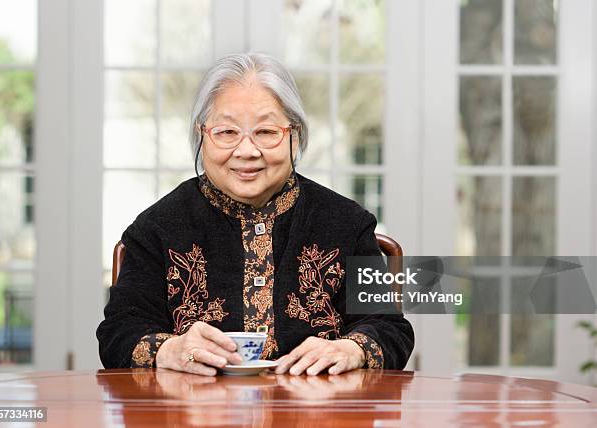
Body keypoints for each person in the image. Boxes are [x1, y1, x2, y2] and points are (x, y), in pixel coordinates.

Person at [96, 52, 414, 376]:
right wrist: (168, 350)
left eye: (265, 132)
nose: (247, 151)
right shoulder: (157, 229)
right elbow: (118, 332)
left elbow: (390, 329)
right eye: (227, 132)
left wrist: (350, 350)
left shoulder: (346, 224)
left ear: (295, 135)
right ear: (201, 135)